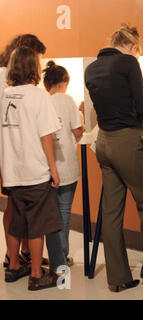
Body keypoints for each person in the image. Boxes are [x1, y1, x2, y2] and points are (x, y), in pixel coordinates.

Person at [85, 25, 143, 292]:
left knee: (111, 212)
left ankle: (118, 278)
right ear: (134, 47)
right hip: (127, 141)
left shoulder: (92, 68)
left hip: (104, 143)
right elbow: (142, 104)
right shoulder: (128, 64)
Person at [0, 46, 62, 290]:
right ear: (32, 67)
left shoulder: (5, 94)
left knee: (15, 221)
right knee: (37, 224)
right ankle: (37, 274)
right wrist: (53, 169)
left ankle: (14, 266)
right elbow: (46, 136)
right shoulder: (39, 96)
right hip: (34, 171)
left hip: (11, 172)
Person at [0, 34, 49, 269]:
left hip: (12, 154)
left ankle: (23, 254)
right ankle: (14, 256)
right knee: (14, 207)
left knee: (16, 205)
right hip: (11, 153)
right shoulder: (5, 79)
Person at [43, 60, 84, 269]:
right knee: (65, 211)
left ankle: (54, 257)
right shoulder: (68, 101)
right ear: (65, 82)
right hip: (67, 164)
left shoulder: (43, 101)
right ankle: (62, 257)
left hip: (47, 167)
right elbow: (78, 131)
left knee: (50, 214)